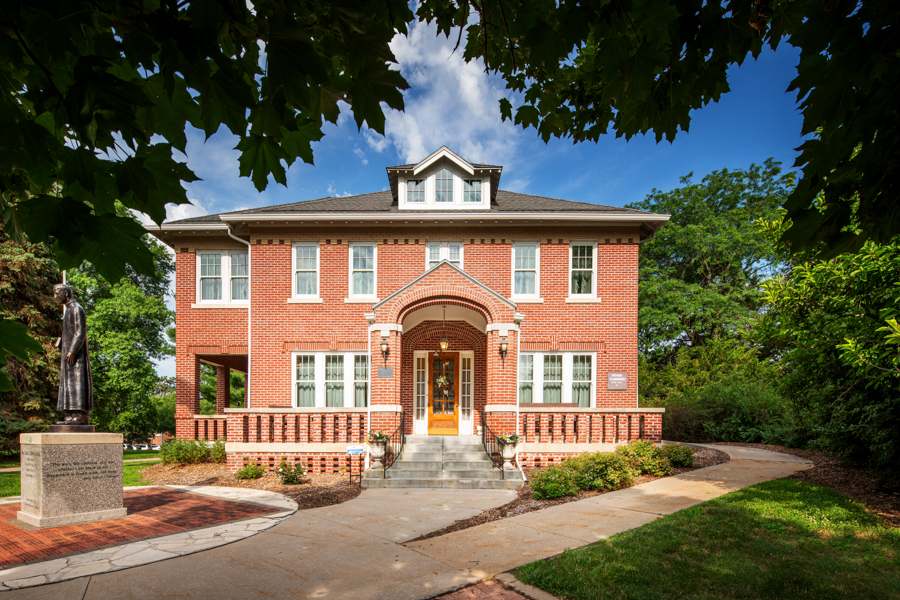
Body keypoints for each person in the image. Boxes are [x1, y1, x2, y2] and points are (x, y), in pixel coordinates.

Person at [53, 284, 92, 424]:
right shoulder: (69, 310)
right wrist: (61, 343)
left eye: (57, 293)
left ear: (65, 292)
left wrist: (72, 350)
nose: (55, 297)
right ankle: (70, 415)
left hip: (76, 356)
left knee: (77, 383)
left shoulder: (76, 309)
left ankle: (80, 416)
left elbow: (80, 331)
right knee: (68, 384)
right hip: (69, 354)